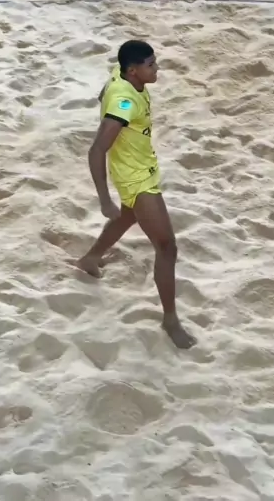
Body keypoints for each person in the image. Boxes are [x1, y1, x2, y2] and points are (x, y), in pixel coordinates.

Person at [76, 40, 196, 350]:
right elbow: (96, 149)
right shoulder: (124, 105)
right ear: (133, 70)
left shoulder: (120, 75)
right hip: (136, 178)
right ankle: (170, 320)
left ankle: (90, 258)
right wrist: (104, 199)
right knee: (167, 248)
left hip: (140, 166)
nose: (157, 69)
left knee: (128, 216)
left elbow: (103, 94)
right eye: (151, 65)